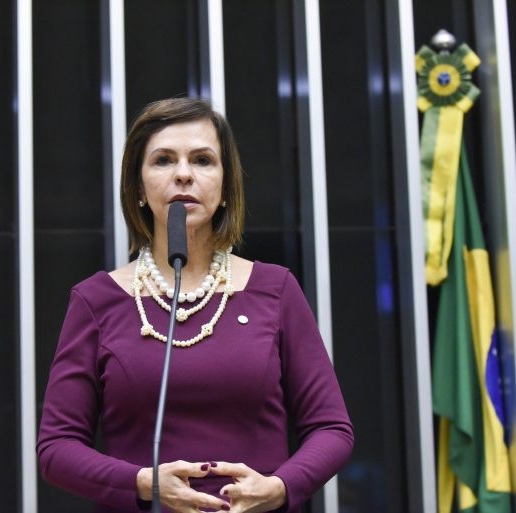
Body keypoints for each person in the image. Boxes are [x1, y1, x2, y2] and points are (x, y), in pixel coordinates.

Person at [37, 97, 353, 513]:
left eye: (202, 160)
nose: (183, 174)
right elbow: (56, 449)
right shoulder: (97, 300)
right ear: (137, 187)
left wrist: (279, 487)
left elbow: (332, 429)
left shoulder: (275, 289)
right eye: (164, 160)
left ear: (225, 187)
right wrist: (142, 482)